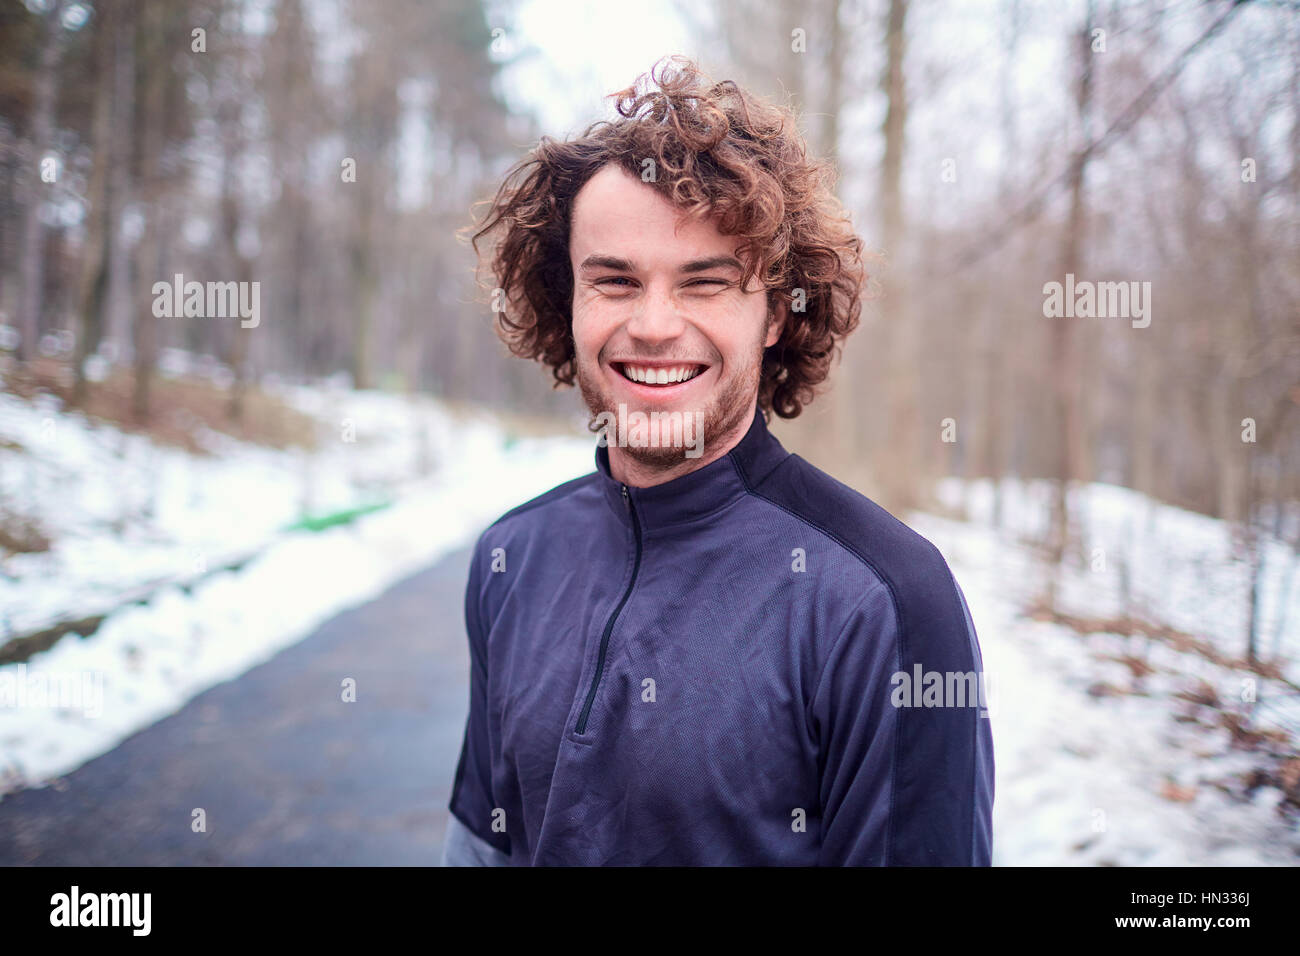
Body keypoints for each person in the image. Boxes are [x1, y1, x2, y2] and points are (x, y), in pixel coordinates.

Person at [440, 56, 993, 866]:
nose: (656, 326)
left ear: (774, 312)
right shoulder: (509, 559)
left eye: (704, 283)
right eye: (616, 281)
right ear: (569, 300)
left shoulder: (888, 603)